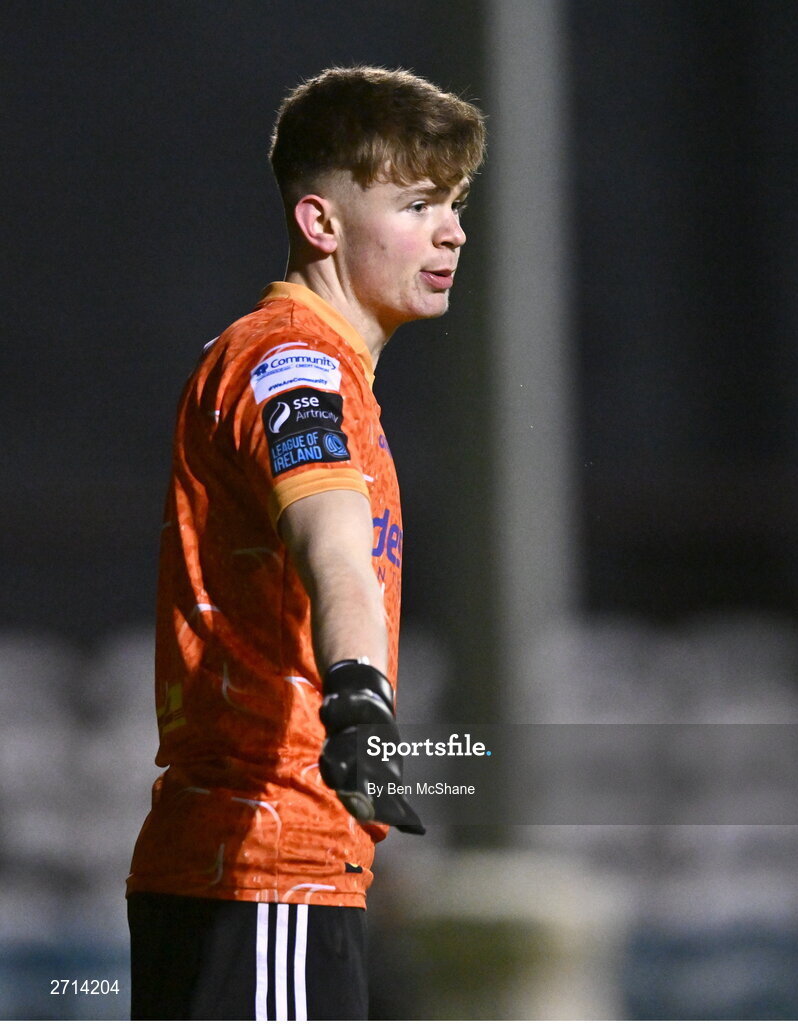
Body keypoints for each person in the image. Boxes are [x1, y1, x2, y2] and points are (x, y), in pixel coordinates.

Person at [127, 65, 486, 1021]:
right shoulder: (295, 362)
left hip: (251, 870)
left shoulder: (311, 365)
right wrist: (360, 702)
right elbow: (334, 543)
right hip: (264, 871)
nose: (452, 230)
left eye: (454, 203)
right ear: (321, 223)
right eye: (416, 204)